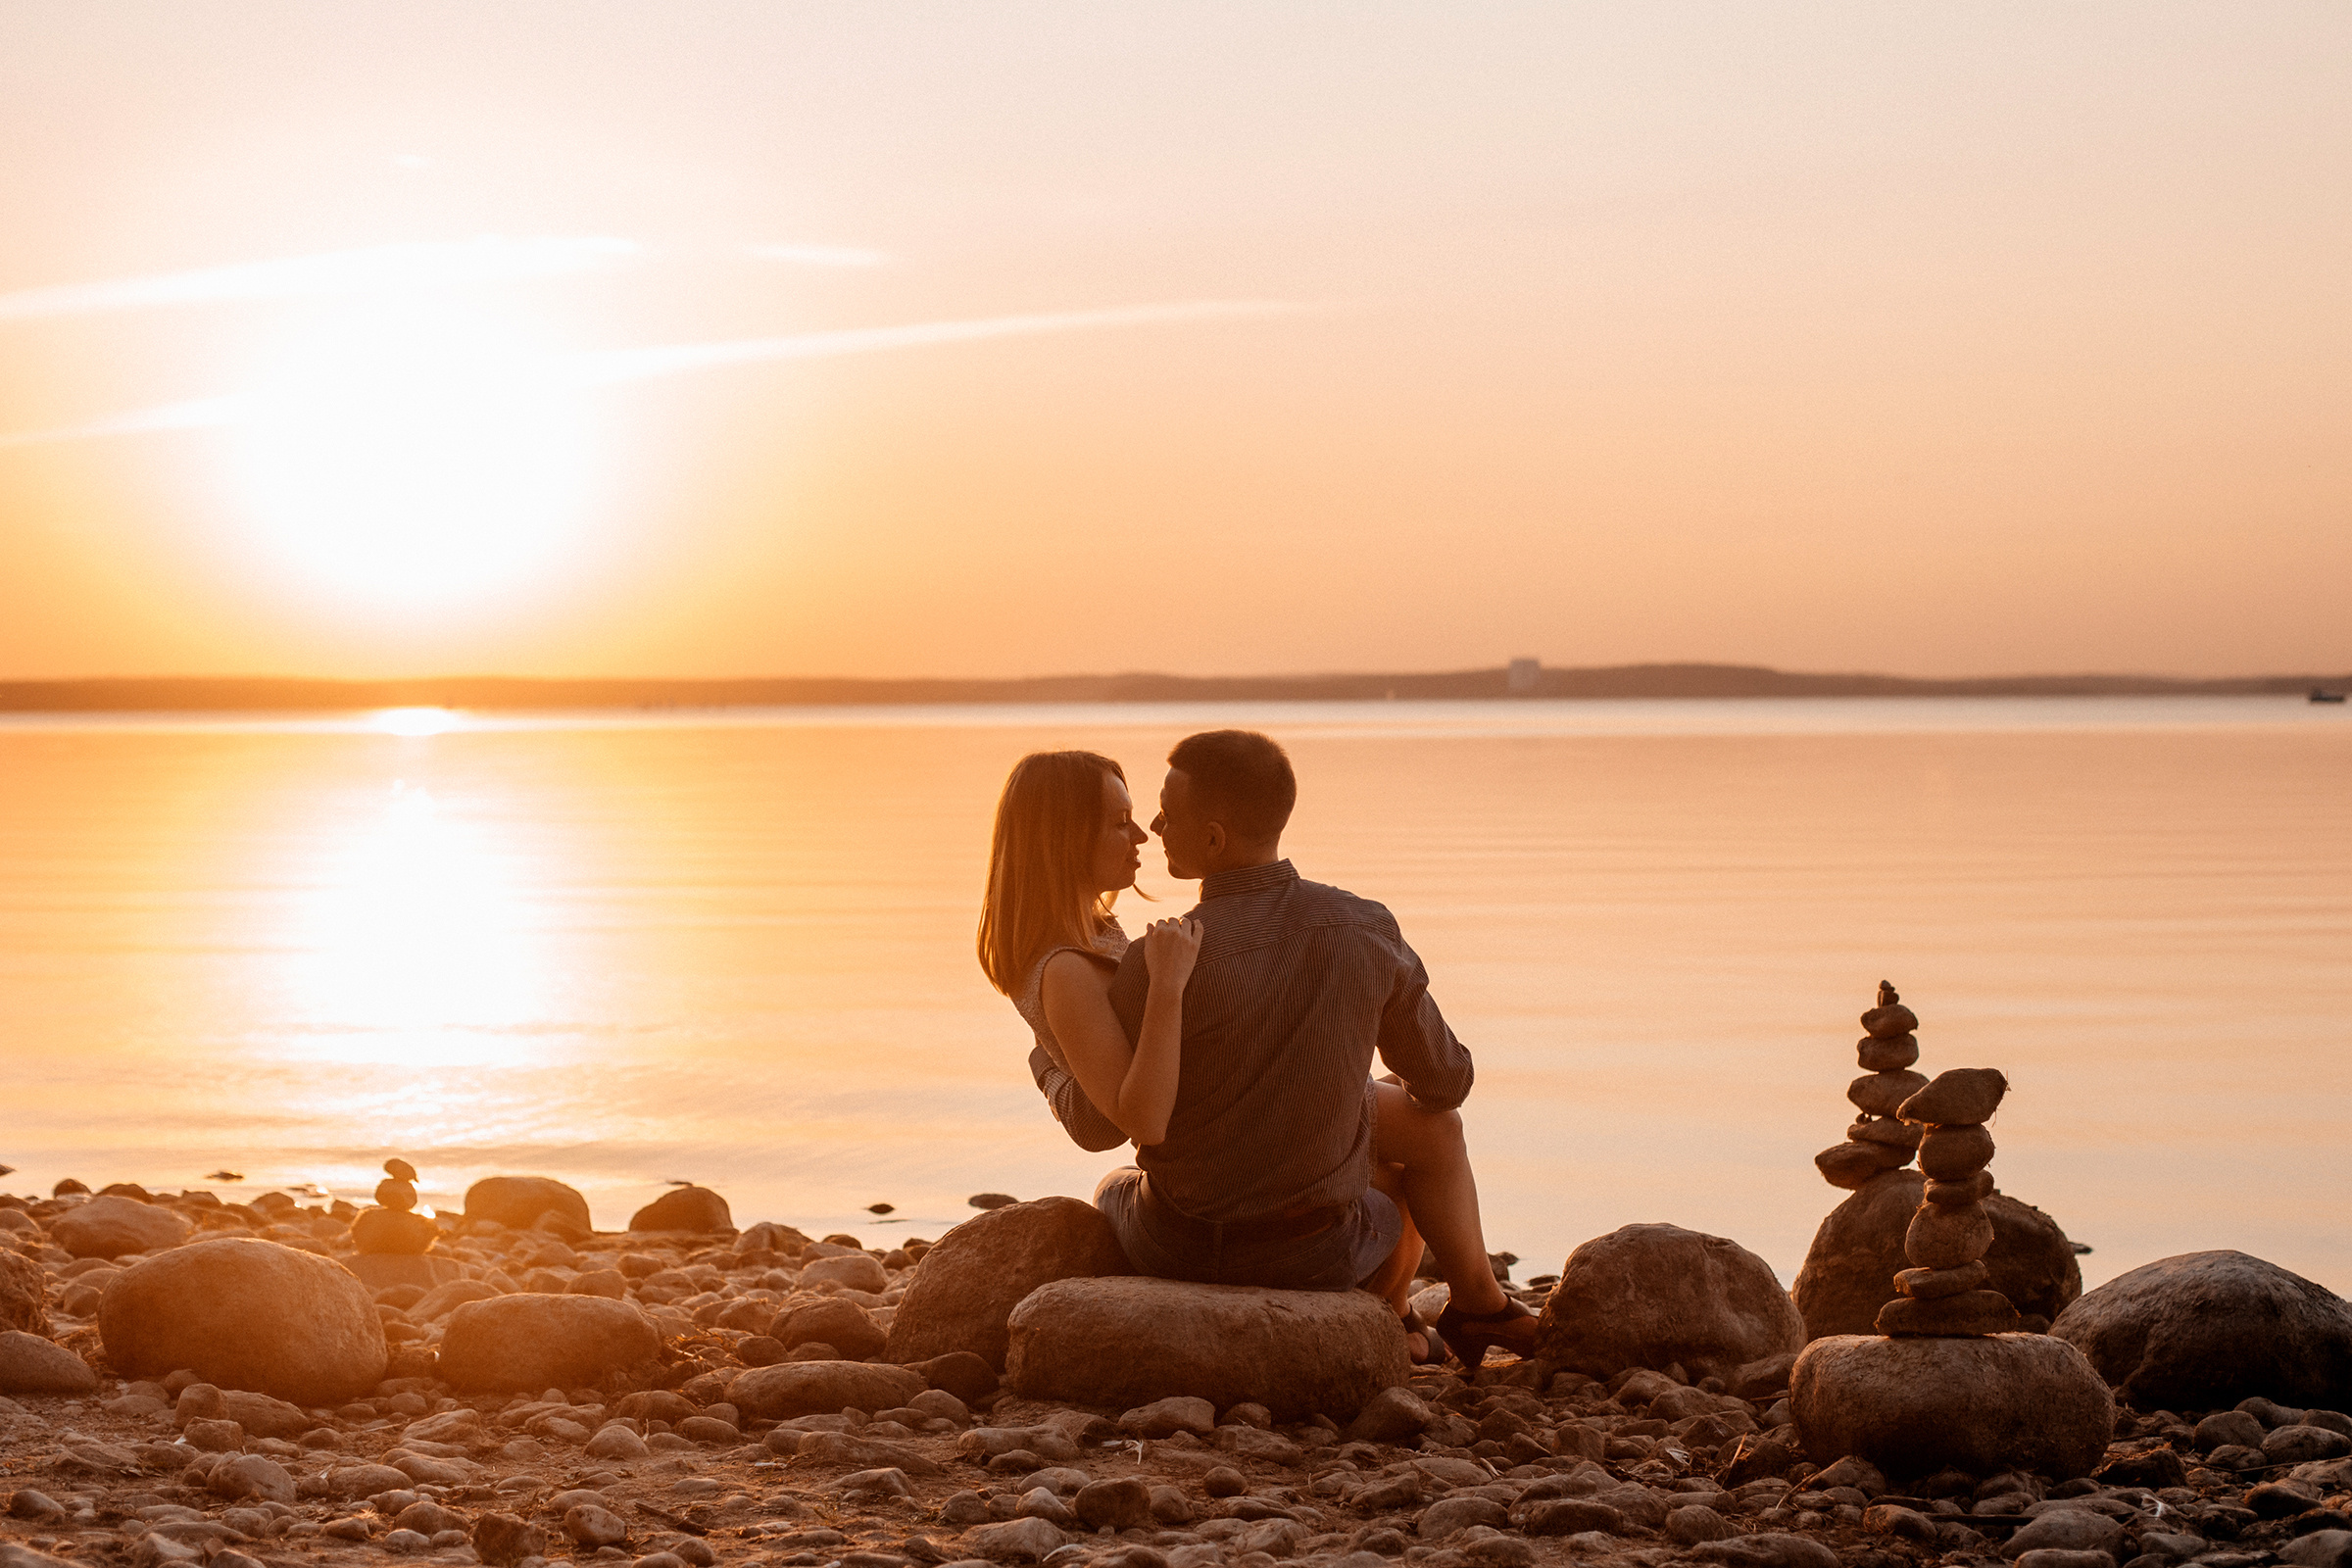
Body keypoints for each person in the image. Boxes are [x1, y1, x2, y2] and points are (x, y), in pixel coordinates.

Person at [980, 732, 1536, 1366]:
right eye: (1125, 821)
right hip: (1318, 1250)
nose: (1149, 831)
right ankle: (1440, 1310)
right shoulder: (1362, 926)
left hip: (1185, 1235)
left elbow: (1117, 1115)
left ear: (1214, 839)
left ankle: (1421, 1316)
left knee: (1120, 1184)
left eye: (1160, 815)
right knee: (1418, 1138)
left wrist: (1047, 1063)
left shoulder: (1151, 962)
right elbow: (1446, 1085)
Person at [977, 749, 1204, 1164]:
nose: (1141, 835)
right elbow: (1143, 1124)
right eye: (1120, 822)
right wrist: (1167, 986)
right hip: (1180, 1179)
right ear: (1064, 840)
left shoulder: (1095, 933)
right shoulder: (1065, 970)